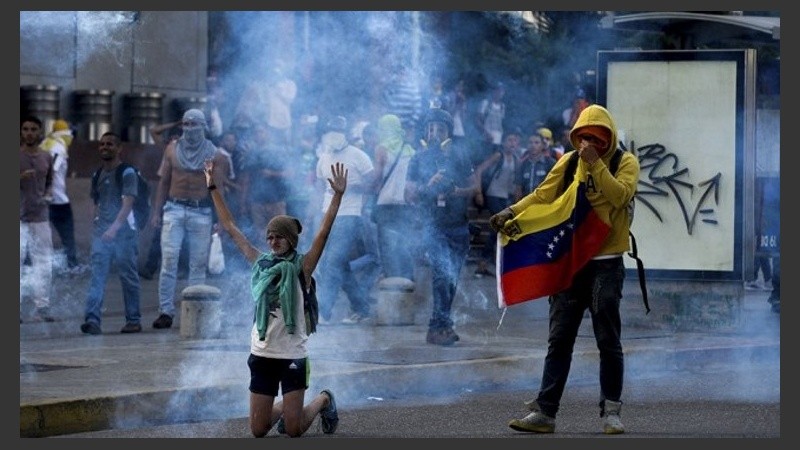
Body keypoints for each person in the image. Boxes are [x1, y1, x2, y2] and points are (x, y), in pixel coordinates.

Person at [491, 104, 639, 434]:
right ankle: (545, 412)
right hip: (571, 264)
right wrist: (510, 212)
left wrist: (596, 164)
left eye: (596, 139)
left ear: (609, 138)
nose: (587, 145)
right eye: (582, 138)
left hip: (606, 265)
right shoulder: (569, 161)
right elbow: (543, 195)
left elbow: (619, 197)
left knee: (608, 340)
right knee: (559, 340)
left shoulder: (624, 162)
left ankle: (611, 411)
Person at [203, 158, 345, 438]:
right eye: (270, 236)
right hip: (262, 353)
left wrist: (337, 196)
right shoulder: (260, 263)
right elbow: (231, 226)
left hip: (292, 354)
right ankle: (288, 409)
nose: (273, 241)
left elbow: (323, 233)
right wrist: (213, 186)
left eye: (280, 236)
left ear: (291, 240)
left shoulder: (303, 266)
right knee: (258, 430)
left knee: (293, 430)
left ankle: (324, 399)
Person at [149, 108, 230, 329]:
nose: (190, 128)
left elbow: (217, 190)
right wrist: (157, 212)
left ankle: (195, 311)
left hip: (201, 212)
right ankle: (165, 311)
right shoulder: (172, 150)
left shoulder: (215, 155)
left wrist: (222, 220)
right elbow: (164, 182)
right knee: (168, 261)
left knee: (197, 264)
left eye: (195, 124)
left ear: (204, 126)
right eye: (186, 124)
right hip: (174, 209)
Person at [405, 107, 477, 346]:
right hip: (433, 225)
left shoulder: (459, 154)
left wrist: (456, 191)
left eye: (440, 128)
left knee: (452, 278)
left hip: (458, 224)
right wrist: (428, 184)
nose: (435, 133)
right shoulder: (417, 158)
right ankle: (439, 326)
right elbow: (409, 195)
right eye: (431, 128)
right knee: (441, 275)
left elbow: (474, 189)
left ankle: (441, 326)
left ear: (449, 131)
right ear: (426, 130)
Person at [314, 116, 378, 325]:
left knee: (333, 263)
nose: (333, 135)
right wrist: (313, 217)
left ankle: (322, 312)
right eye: (330, 131)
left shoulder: (358, 156)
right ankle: (361, 307)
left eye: (337, 131)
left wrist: (350, 188)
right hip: (327, 215)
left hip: (349, 215)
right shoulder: (323, 157)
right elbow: (319, 188)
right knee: (337, 265)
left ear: (346, 133)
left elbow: (373, 185)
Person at [80, 132, 143, 335]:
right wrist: (97, 224)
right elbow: (95, 202)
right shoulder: (97, 174)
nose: (104, 147)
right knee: (97, 277)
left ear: (119, 148)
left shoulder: (127, 173)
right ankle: (92, 319)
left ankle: (133, 320)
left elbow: (128, 203)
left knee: (128, 277)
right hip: (102, 233)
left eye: (109, 144)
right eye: (102, 144)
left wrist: (114, 228)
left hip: (123, 233)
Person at [371, 114, 417, 281]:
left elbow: (376, 176)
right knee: (403, 240)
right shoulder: (410, 150)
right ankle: (407, 276)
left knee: (385, 242)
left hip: (385, 201)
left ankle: (390, 276)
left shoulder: (381, 148)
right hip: (405, 202)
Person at [20, 115, 55, 323]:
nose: (29, 133)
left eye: (33, 129)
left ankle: (42, 305)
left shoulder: (47, 156)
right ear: (21, 133)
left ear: (40, 132)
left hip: (41, 217)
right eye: (25, 129)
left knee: (44, 263)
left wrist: (49, 195)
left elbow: (50, 181)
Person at [473, 128, 522, 278]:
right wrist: (478, 192)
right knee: (499, 226)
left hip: (505, 197)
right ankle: (485, 262)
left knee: (498, 229)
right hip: (493, 194)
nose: (512, 143)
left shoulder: (516, 159)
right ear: (504, 142)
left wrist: (516, 199)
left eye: (515, 140)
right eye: (509, 140)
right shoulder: (498, 155)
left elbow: (516, 183)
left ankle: (486, 263)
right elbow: (479, 170)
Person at [40, 119, 83, 274]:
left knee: (37, 235)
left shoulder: (45, 144)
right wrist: (49, 190)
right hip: (57, 200)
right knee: (67, 234)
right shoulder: (58, 147)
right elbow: (52, 170)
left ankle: (28, 266)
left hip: (41, 200)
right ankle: (71, 265)